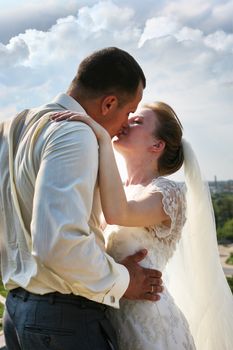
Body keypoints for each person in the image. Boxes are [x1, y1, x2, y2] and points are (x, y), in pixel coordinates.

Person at [0, 47, 163, 350]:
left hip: (17, 313)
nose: (126, 124)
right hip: (64, 323)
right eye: (128, 112)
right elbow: (59, 244)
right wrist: (125, 281)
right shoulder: (75, 133)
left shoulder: (15, 127)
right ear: (109, 103)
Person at [52, 101, 233, 350]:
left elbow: (119, 214)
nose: (126, 122)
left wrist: (103, 138)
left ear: (157, 146)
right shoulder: (114, 189)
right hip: (108, 319)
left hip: (150, 327)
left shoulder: (169, 193)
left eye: (137, 121)